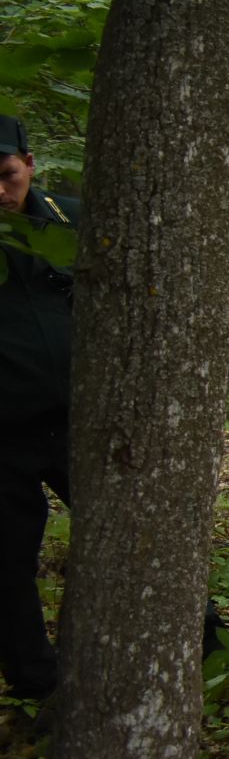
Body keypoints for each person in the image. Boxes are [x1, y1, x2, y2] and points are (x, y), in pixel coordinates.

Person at [0, 114, 77, 705]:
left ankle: (202, 638)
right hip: (5, 432)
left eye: (7, 175)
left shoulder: (71, 220)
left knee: (136, 526)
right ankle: (36, 685)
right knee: (7, 560)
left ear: (29, 164)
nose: (1, 193)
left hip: (81, 420)